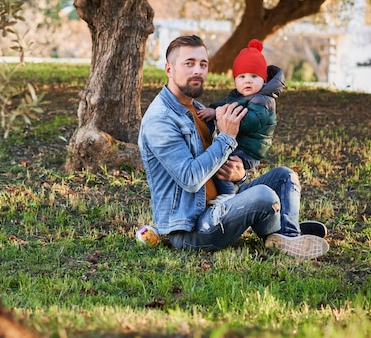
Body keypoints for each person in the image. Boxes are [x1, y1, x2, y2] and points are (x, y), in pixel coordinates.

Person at [138, 35, 329, 259]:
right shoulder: (160, 119)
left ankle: (287, 233)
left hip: (223, 203)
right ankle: (281, 227)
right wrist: (227, 137)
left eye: (203, 64)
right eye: (189, 63)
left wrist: (238, 175)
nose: (197, 70)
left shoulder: (199, 111)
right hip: (194, 227)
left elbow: (217, 164)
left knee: (284, 177)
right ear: (169, 69)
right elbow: (190, 178)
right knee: (264, 196)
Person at [197, 39, 284, 197]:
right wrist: (212, 110)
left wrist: (219, 114)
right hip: (238, 145)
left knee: (225, 165)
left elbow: (247, 122)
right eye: (242, 76)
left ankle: (228, 196)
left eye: (254, 76)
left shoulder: (264, 101)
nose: (248, 80)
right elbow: (224, 104)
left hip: (249, 151)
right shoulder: (238, 97)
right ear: (235, 81)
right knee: (218, 161)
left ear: (264, 80)